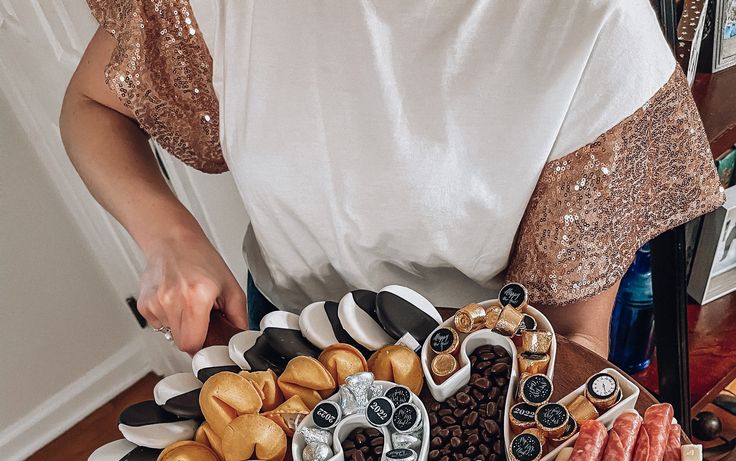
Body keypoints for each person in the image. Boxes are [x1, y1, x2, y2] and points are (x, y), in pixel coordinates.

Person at [61, 0, 724, 356]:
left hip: (468, 373)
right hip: (280, 334)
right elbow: (92, 107)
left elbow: (571, 342)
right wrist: (169, 236)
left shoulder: (594, 23)